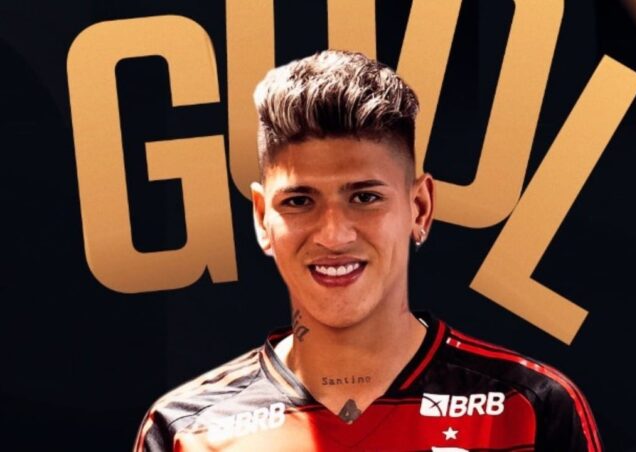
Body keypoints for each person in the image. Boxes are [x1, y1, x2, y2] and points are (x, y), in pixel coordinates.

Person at [134, 50, 602, 452]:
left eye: (365, 197)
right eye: (299, 202)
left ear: (420, 207)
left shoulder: (529, 408)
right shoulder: (187, 429)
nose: (334, 236)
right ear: (262, 218)